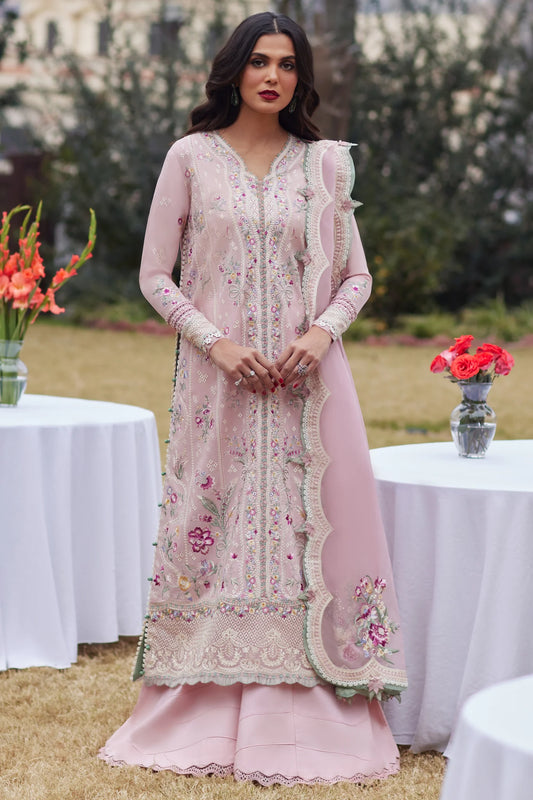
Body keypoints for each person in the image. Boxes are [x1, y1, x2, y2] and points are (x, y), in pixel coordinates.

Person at [99, 11, 407, 786]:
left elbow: (357, 276)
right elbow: (155, 275)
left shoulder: (322, 166)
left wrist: (320, 333)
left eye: (287, 63)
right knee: (218, 526)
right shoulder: (191, 157)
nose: (272, 75)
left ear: (301, 77)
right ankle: (203, 704)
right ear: (233, 69)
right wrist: (218, 344)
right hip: (220, 386)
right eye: (259, 61)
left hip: (309, 386)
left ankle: (313, 710)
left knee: (308, 534)